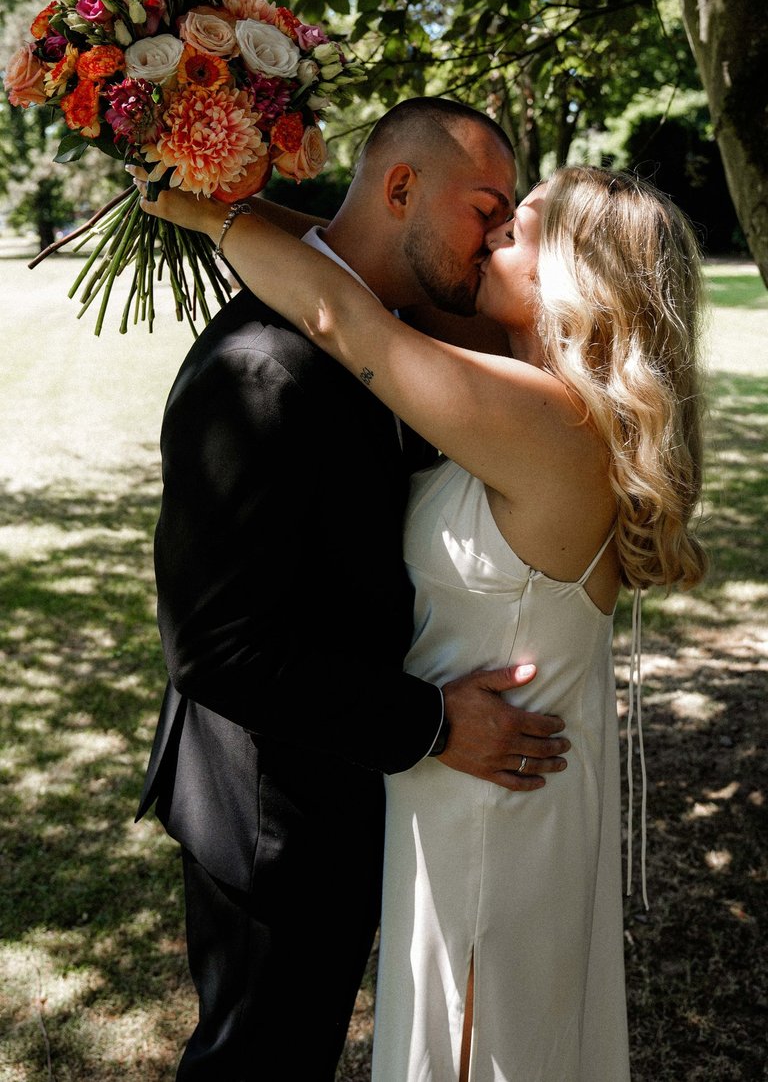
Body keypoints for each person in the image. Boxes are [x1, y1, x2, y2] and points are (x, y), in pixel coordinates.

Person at [137, 154, 708, 1082]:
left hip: (495, 798)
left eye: (514, 229)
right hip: (471, 777)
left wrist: (210, 217)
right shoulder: (524, 381)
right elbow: (359, 257)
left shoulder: (552, 422)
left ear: (573, 281)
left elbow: (340, 313)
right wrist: (232, 184)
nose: (487, 238)